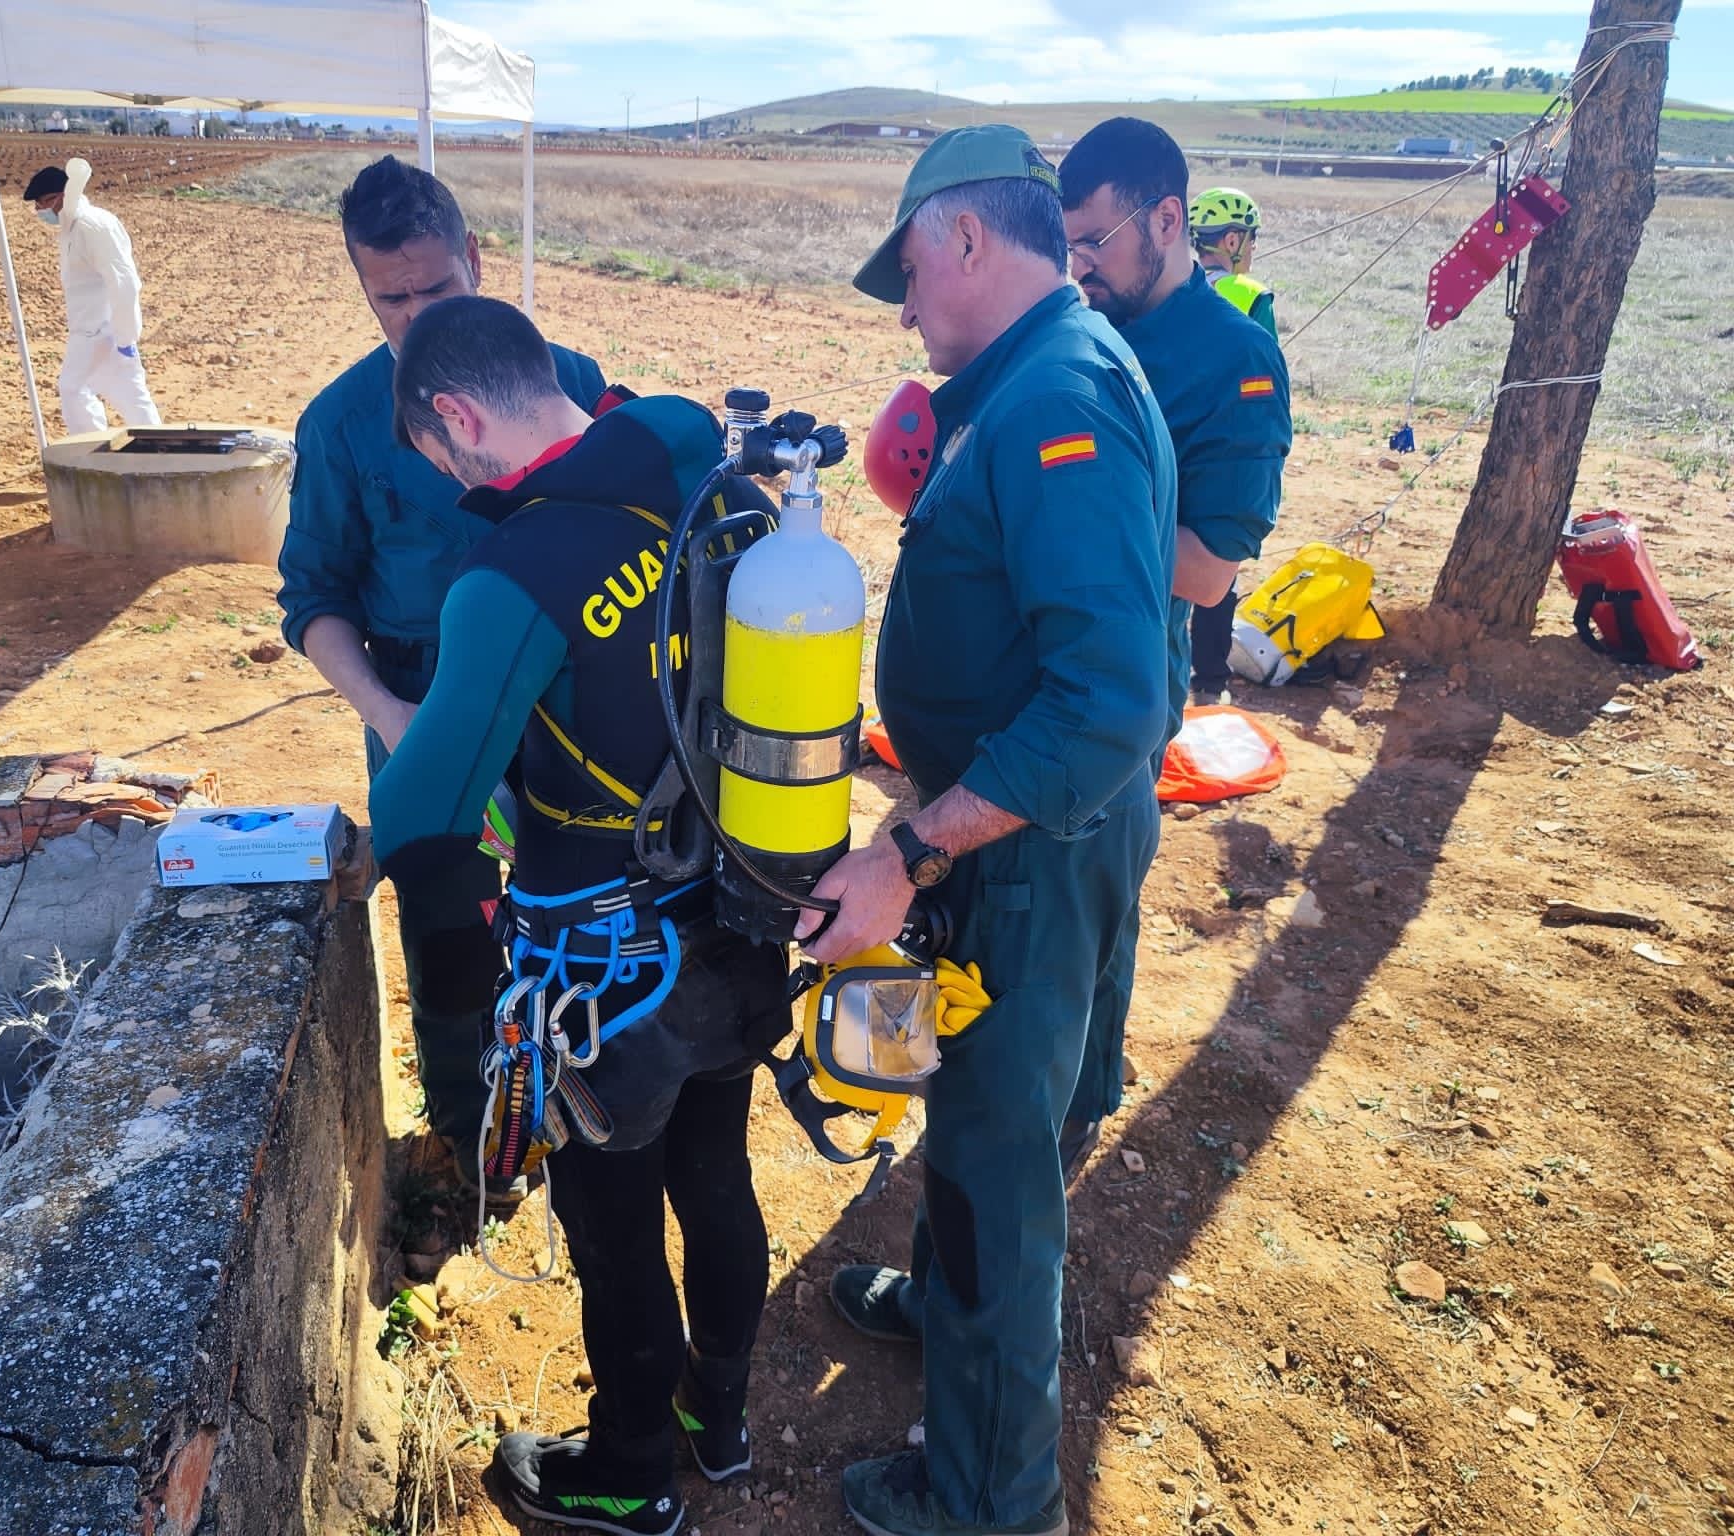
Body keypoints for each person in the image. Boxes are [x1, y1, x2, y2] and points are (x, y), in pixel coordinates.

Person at [369, 295, 789, 1536]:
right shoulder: (727, 492)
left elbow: (424, 815)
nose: (450, 482)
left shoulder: (516, 573)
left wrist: (452, 991)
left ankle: (627, 1469)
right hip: (740, 919)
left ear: (457, 415)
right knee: (716, 1176)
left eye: (439, 459)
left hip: (601, 973)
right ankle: (722, 1417)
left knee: (611, 1226)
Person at [809, 125, 1178, 1536]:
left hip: (1024, 854)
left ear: (965, 237)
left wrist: (910, 849)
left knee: (994, 1177)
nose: (903, 309)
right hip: (1017, 836)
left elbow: (1107, 706)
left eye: (907, 270)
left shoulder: (1055, 398)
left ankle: (982, 1500)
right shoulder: (1029, 374)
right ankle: (941, 1302)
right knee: (977, 1124)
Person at [275, 157, 608, 1197]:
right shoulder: (339, 426)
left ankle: (583, 1112)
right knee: (450, 938)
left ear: (478, 258)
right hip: (418, 709)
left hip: (564, 710)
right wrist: (394, 716)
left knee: (579, 916)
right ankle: (479, 1155)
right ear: (362, 289)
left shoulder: (569, 381)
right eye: (391, 300)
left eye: (438, 291)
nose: (417, 321)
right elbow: (311, 599)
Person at [1054, 117, 1291, 1172]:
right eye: (1066, 245)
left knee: (1090, 905)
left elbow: (1204, 573)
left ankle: (1071, 1108)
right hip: (1033, 670)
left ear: (1166, 219)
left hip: (1116, 691)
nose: (1079, 266)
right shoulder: (1074, 316)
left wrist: (1074, 510)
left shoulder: (1233, 359)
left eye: (1095, 242)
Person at [24, 160, 162, 436]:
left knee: (73, 389)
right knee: (129, 395)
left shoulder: (92, 225)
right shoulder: (72, 228)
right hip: (97, 331)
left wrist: (126, 336)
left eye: (46, 202)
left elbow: (124, 282)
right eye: (37, 205)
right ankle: (158, 453)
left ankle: (92, 449)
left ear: (65, 194)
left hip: (100, 332)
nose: (42, 211)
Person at [1189, 186, 1279, 341]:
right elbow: (1270, 363)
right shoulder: (1254, 297)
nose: (1254, 246)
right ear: (1232, 241)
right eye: (1252, 237)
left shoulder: (1169, 289)